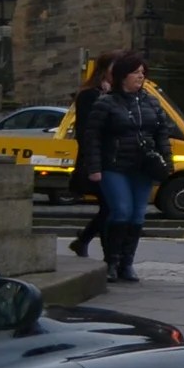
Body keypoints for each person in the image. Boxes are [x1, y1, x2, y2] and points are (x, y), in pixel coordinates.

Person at [83, 52, 172, 283]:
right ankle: (111, 261)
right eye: (136, 72)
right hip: (114, 165)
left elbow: (162, 133)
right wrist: (94, 167)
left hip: (143, 166)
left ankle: (127, 262)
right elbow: (92, 137)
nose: (140, 77)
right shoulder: (106, 103)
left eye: (143, 73)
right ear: (123, 75)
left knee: (137, 214)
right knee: (121, 210)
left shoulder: (151, 101)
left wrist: (167, 163)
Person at [65, 58, 109, 260]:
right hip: (96, 162)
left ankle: (84, 240)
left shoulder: (118, 94)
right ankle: (109, 257)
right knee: (111, 207)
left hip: (113, 161)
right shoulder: (90, 96)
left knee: (111, 208)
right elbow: (85, 133)